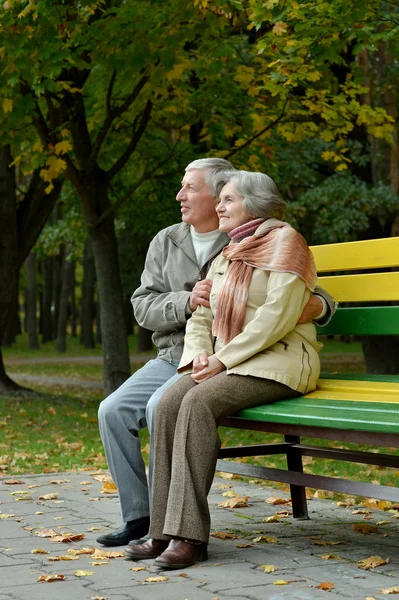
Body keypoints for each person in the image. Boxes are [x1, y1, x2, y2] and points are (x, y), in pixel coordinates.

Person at [97, 160, 334, 547]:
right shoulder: (184, 243)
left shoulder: (259, 240)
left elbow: (296, 300)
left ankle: (180, 530)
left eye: (192, 189)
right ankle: (148, 523)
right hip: (186, 354)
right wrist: (191, 319)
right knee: (121, 408)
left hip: (255, 358)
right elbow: (160, 310)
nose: (180, 196)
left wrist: (318, 308)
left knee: (174, 404)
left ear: (235, 200)